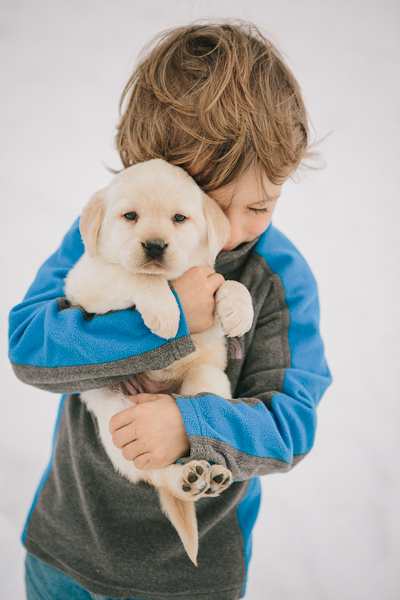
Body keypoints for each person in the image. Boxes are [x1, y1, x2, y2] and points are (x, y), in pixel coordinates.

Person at [8, 22, 332, 600]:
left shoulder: (278, 280)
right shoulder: (111, 227)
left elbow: (292, 426)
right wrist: (167, 322)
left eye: (259, 205)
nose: (230, 231)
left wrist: (192, 426)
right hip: (67, 552)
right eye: (204, 204)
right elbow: (31, 350)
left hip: (193, 579)